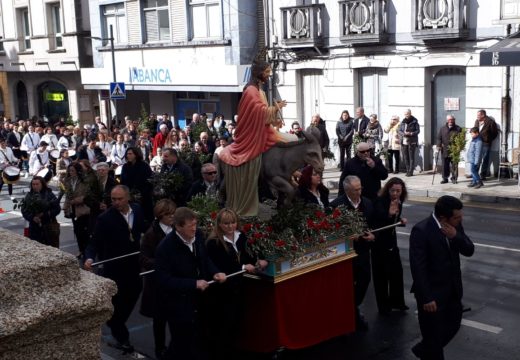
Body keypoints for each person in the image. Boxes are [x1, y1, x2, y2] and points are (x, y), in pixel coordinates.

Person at [218, 60, 296, 216]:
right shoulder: (251, 90)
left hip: (265, 130)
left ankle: (291, 175)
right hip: (254, 135)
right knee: (290, 141)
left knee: (293, 140)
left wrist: (275, 115)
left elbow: (265, 113)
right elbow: (259, 112)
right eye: (267, 72)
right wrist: (276, 108)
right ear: (259, 72)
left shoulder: (259, 89)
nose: (269, 74)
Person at [154, 207, 226, 360]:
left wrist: (215, 272)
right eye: (190, 225)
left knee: (199, 341)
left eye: (195, 224)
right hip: (179, 306)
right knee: (182, 345)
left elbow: (204, 259)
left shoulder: (198, 236)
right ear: (178, 227)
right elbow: (164, 280)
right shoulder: (165, 249)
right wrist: (193, 284)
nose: (195, 228)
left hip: (200, 302)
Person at [409, 195, 475, 360]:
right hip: (432, 295)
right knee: (434, 341)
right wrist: (426, 297)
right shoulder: (422, 230)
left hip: (452, 291)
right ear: (443, 218)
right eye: (457, 217)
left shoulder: (455, 225)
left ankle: (423, 349)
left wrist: (456, 236)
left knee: (452, 325)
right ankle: (429, 351)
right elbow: (418, 268)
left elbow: (469, 249)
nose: (461, 219)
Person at [84, 185, 146, 353]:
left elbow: (144, 230)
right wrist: (89, 258)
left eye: (119, 199)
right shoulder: (105, 218)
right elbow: (94, 243)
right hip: (114, 269)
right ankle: (122, 336)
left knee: (133, 295)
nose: (116, 202)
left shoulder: (138, 211)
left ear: (128, 198)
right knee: (116, 304)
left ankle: (116, 324)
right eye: (113, 199)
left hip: (134, 266)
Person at [205, 208, 267, 359]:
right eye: (226, 224)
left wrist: (259, 261)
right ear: (219, 224)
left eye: (233, 223)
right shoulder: (213, 243)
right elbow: (220, 265)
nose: (230, 226)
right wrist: (242, 267)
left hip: (241, 287)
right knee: (225, 325)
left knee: (239, 322)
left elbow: (250, 255)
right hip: (224, 291)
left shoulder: (242, 237)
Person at [330, 175, 375, 331]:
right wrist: (345, 236)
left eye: (360, 188)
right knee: (346, 285)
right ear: (347, 190)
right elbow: (329, 231)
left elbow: (373, 225)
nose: (359, 192)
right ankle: (350, 315)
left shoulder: (367, 203)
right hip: (344, 254)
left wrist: (373, 236)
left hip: (362, 251)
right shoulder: (336, 206)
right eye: (356, 190)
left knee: (364, 280)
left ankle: (352, 308)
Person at [140, 199, 177, 360]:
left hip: (175, 281)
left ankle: (175, 348)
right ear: (160, 215)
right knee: (160, 320)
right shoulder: (152, 233)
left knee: (176, 318)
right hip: (158, 284)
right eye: (169, 215)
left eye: (174, 214)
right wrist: (161, 264)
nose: (172, 217)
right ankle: (160, 349)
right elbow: (143, 258)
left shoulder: (177, 229)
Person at [372, 177, 409, 315]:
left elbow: (395, 220)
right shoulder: (380, 201)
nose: (395, 194)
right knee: (381, 275)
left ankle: (397, 302)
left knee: (396, 272)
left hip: (391, 240)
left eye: (398, 191)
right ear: (388, 190)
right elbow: (379, 220)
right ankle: (384, 306)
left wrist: (400, 220)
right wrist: (389, 214)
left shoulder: (399, 201)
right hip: (379, 241)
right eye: (393, 190)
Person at [21, 176, 60, 247]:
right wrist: (32, 218)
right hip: (34, 229)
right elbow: (24, 210)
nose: (35, 186)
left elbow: (57, 209)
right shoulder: (29, 196)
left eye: (37, 184)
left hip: (49, 227)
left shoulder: (49, 194)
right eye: (33, 184)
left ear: (42, 184)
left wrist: (44, 215)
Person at [63, 162, 91, 257]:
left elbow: (88, 195)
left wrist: (77, 200)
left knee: (85, 231)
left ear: (78, 171)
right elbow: (68, 195)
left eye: (73, 171)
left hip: (83, 209)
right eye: (70, 171)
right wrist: (65, 206)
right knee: (77, 230)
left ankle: (87, 250)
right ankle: (81, 249)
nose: (71, 172)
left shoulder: (84, 181)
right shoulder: (68, 181)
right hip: (73, 209)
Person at [120, 146, 154, 223]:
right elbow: (122, 182)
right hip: (129, 197)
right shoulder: (125, 167)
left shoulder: (144, 166)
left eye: (130, 154)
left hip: (144, 196)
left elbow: (149, 181)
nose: (128, 156)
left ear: (136, 154)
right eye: (127, 154)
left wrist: (142, 193)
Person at [437, 115, 462, 184]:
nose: (450, 121)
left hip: (455, 151)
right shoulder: (442, 128)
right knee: (445, 165)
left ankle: (454, 178)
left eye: (452, 119)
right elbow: (439, 138)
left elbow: (461, 139)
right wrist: (439, 145)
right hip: (445, 150)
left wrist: (459, 147)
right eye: (449, 120)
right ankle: (445, 178)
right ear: (447, 120)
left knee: (454, 165)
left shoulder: (458, 128)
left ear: (454, 120)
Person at [474, 109, 498, 180]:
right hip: (477, 143)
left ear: (483, 115)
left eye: (478, 115)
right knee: (477, 159)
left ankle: (483, 175)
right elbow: (475, 130)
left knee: (485, 160)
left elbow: (495, 133)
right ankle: (475, 174)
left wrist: (489, 139)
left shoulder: (490, 122)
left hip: (486, 144)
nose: (477, 116)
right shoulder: (476, 121)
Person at [398, 109, 420, 176]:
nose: (406, 115)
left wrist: (411, 133)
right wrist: (403, 133)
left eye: (407, 114)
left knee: (411, 157)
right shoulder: (403, 121)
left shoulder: (414, 121)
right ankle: (407, 170)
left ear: (410, 113)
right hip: (404, 140)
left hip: (412, 141)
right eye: (405, 114)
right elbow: (399, 130)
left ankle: (411, 171)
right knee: (405, 156)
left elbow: (418, 131)